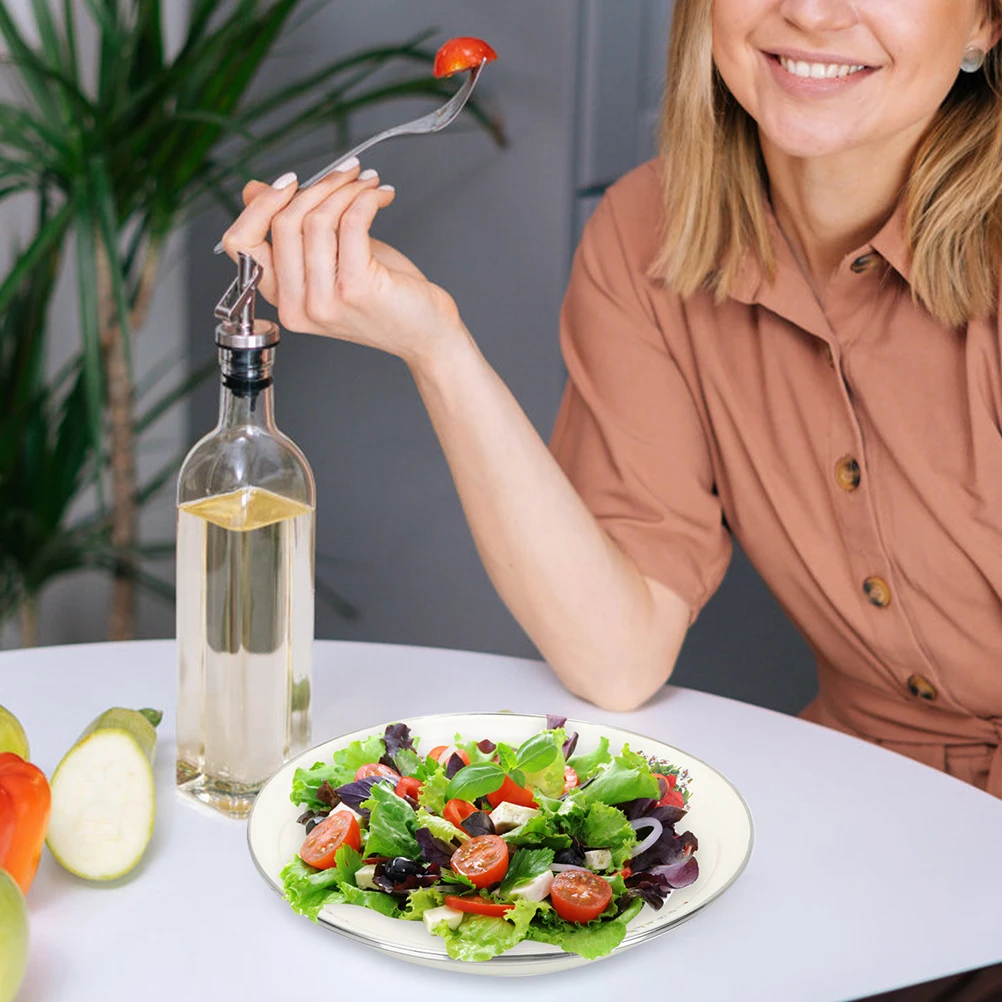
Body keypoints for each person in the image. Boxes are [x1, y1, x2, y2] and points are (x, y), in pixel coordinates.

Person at [221, 1, 1002, 804]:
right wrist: (436, 345)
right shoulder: (648, 233)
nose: (807, 11)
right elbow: (618, 657)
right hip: (869, 796)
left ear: (986, 23)